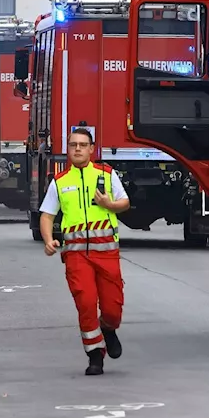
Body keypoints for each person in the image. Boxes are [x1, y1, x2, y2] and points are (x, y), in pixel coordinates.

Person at [39, 126, 131, 375]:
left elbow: (125, 202)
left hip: (107, 253)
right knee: (86, 303)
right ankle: (95, 355)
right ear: (67, 149)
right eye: (72, 145)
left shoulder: (107, 174)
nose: (77, 148)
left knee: (113, 308)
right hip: (77, 256)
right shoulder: (59, 182)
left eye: (82, 144)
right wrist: (48, 240)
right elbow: (47, 215)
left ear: (92, 149)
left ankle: (108, 328)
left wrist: (108, 204)